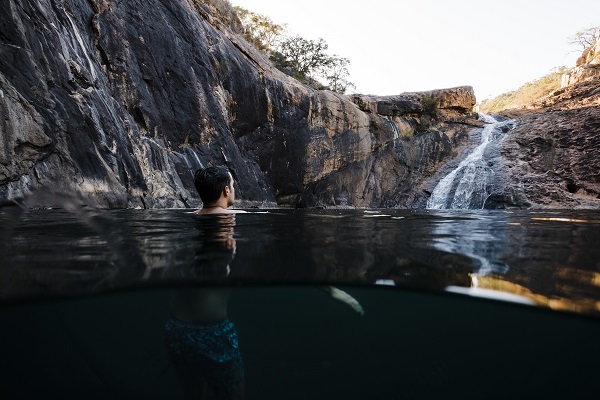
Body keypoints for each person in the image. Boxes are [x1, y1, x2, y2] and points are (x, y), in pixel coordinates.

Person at [164, 165, 245, 399]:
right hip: (212, 332)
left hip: (175, 328)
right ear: (226, 190)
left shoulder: (190, 217)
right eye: (233, 185)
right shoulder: (231, 217)